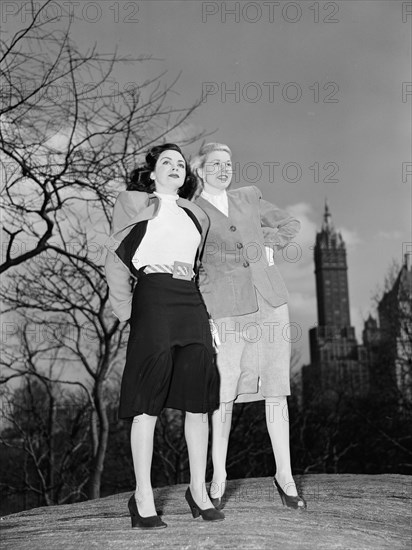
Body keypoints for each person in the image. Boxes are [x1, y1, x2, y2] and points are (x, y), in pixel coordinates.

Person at [104, 143, 224, 529]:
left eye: (180, 164)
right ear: (152, 172)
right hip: (153, 298)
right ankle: (142, 498)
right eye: (166, 162)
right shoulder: (132, 201)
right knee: (147, 399)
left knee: (199, 399)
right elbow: (114, 259)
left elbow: (200, 265)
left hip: (190, 303)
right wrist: (129, 312)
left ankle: (198, 491)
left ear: (187, 175)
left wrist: (210, 313)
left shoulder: (196, 213)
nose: (175, 167)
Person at [192, 142, 306, 510]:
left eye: (228, 164)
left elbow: (290, 224)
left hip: (270, 302)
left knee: (276, 388)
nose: (224, 170)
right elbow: (193, 266)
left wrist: (265, 245)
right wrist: (205, 316)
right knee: (223, 394)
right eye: (216, 164)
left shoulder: (249, 197)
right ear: (200, 169)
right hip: (226, 309)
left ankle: (285, 476)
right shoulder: (191, 210)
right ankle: (219, 476)